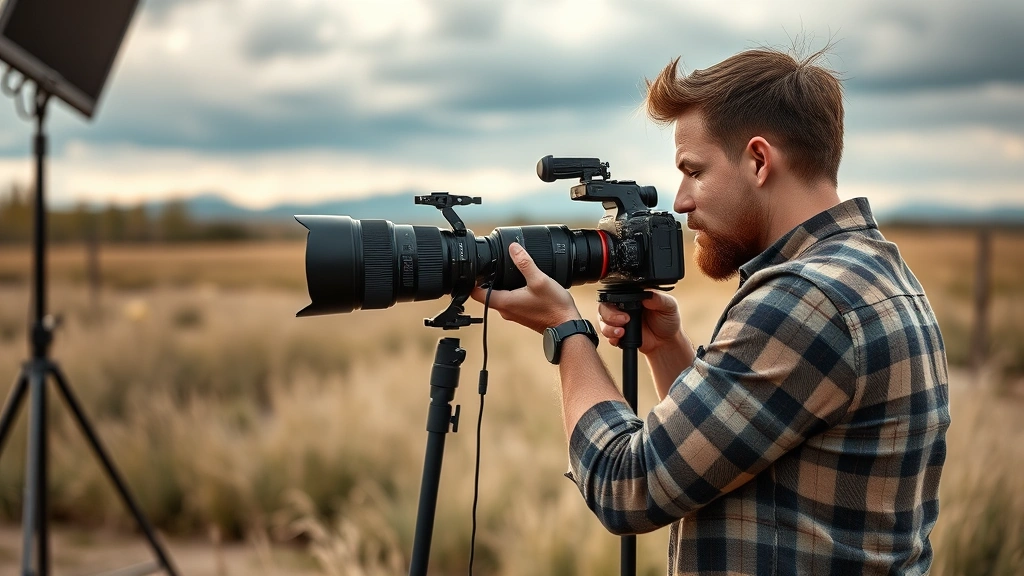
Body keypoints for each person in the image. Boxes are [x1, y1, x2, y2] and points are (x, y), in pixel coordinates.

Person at [472, 48, 950, 575]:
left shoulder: (805, 301)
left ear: (759, 161)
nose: (679, 201)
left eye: (693, 171)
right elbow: (730, 451)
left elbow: (624, 485)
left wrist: (565, 331)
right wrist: (666, 349)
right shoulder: (876, 272)